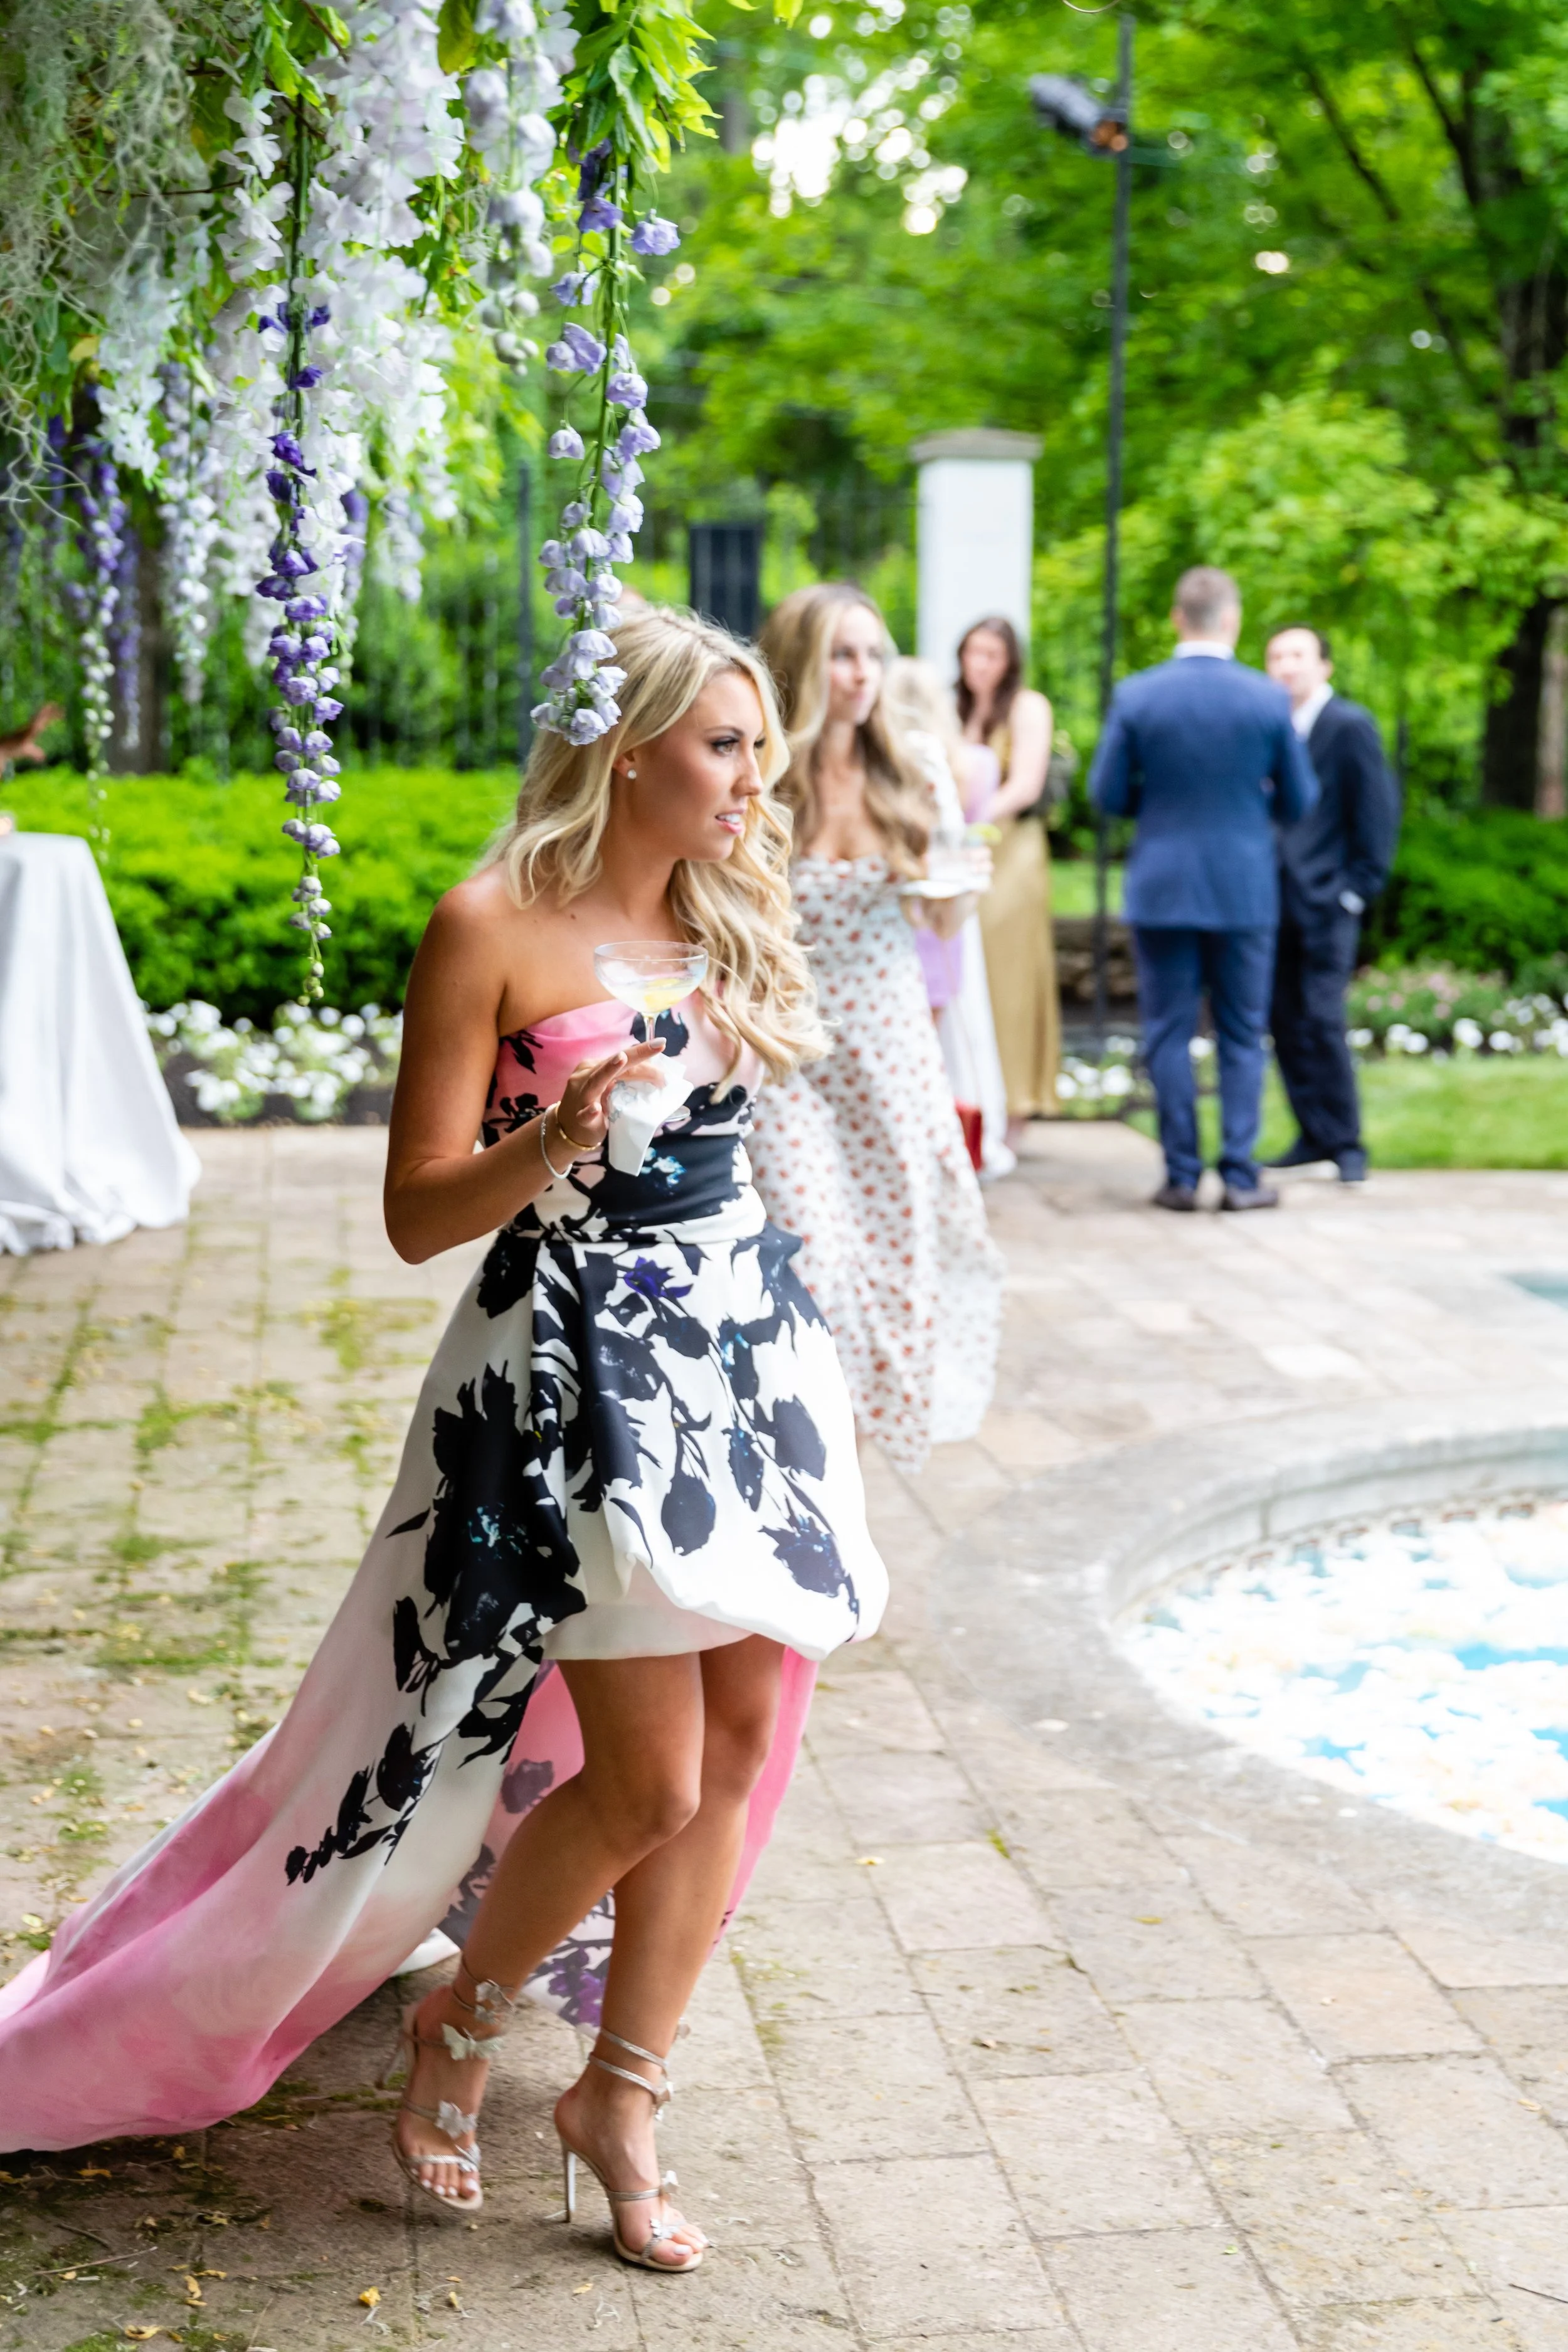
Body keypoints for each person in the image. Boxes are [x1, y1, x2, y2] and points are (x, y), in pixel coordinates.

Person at [0, 610, 888, 2275]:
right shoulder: (486, 927)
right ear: (625, 747)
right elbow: (417, 1213)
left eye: (757, 744)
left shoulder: (724, 912)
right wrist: (546, 1134)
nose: (752, 775)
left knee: (753, 1720)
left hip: (739, 1363)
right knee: (650, 1772)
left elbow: (751, 1151)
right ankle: (461, 2030)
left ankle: (618, 2093)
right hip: (572, 1379)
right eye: (722, 742)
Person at [746, 583, 1003, 1474]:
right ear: (801, 667)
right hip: (789, 1052)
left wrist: (962, 880)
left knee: (896, 1265)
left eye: (874, 654)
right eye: (843, 655)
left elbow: (943, 921)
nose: (864, 675)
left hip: (890, 1044)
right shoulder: (757, 771)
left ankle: (846, 1485)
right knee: (810, 1260)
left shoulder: (916, 765)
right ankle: (806, 1457)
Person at [1088, 565, 1318, 1212]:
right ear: (1233, 619)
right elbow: (1301, 799)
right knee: (1243, 1032)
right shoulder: (1266, 699)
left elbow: (1105, 794)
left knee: (1166, 1032)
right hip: (1243, 886)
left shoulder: (1138, 695)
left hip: (1161, 884)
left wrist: (1156, 803)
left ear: (1176, 618)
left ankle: (1182, 1176)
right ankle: (1241, 1178)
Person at [1262, 625, 1401, 1185]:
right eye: (1276, 656)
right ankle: (1311, 1134)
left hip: (1326, 900)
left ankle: (1347, 1143)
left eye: (1298, 655)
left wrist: (1356, 888)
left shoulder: (1348, 724)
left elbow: (1376, 809)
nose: (1286, 666)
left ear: (1325, 665)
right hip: (1272, 902)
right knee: (1283, 1021)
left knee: (1322, 1019)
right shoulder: (1271, 726)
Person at [883, 653, 1015, 1180]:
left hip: (903, 915)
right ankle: (935, 1150)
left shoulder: (891, 767)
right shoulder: (975, 763)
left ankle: (909, 1149)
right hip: (952, 915)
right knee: (936, 1046)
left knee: (899, 1049)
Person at [956, 617, 1059, 1148]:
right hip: (959, 854)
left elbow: (1025, 784)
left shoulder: (1028, 707)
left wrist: (964, 821)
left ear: (1009, 659)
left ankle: (1016, 1106)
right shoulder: (953, 707)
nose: (979, 664)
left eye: (991, 655)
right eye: (973, 652)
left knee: (1010, 977)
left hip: (1009, 852)